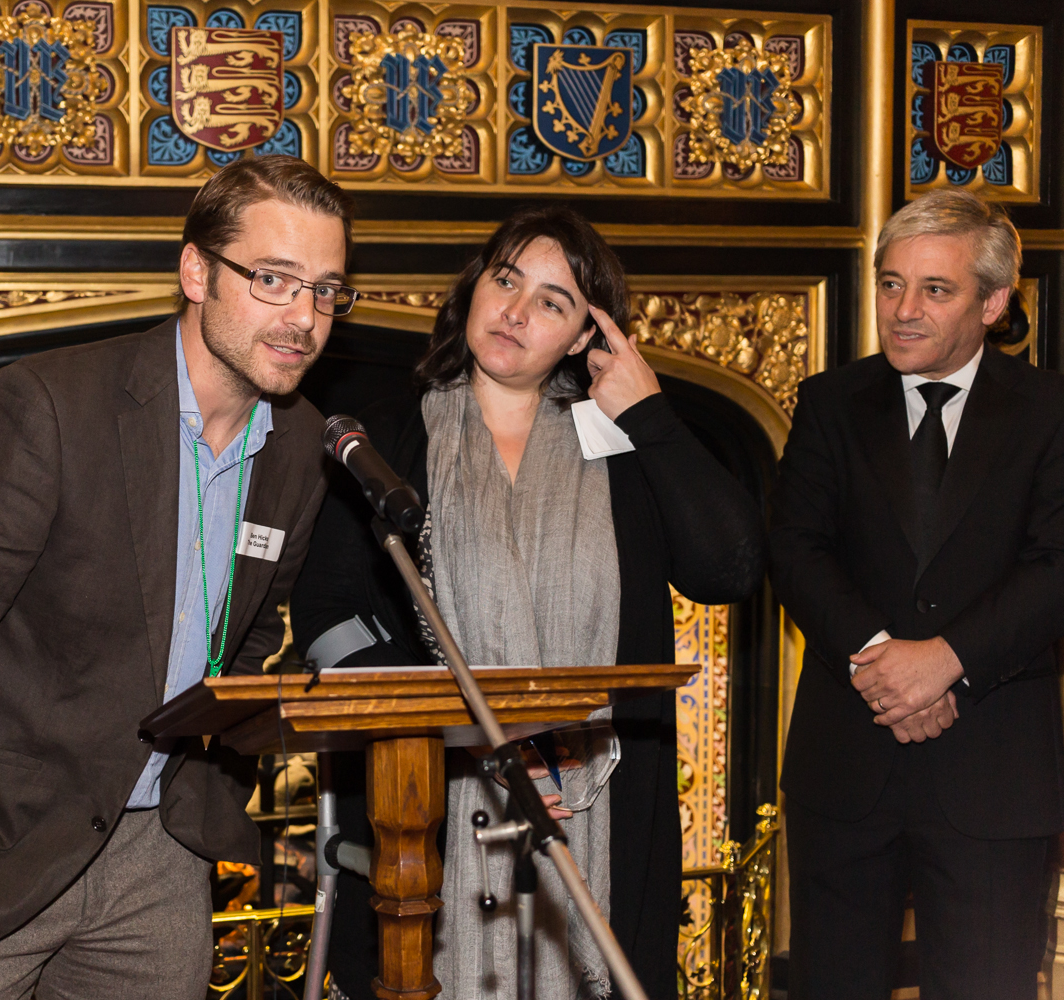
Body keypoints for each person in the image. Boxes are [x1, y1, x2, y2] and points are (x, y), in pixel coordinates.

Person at [0, 155, 353, 999]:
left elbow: (251, 630)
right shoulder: (48, 409)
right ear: (196, 270)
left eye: (327, 290)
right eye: (274, 279)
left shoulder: (302, 446)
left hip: (160, 862)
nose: (303, 317)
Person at [290, 206, 765, 1000]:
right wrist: (452, 723)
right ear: (475, 285)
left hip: (602, 812)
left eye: (552, 302)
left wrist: (650, 415)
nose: (513, 311)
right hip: (425, 805)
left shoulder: (618, 447)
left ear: (587, 337)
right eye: (505, 280)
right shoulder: (389, 435)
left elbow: (732, 568)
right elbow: (327, 608)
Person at [771, 189, 1064, 999]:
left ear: (994, 302)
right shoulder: (829, 402)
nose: (903, 311)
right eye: (889, 284)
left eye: (934, 290)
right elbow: (794, 549)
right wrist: (884, 661)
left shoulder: (1059, 413)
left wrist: (945, 662)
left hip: (993, 772)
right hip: (846, 769)